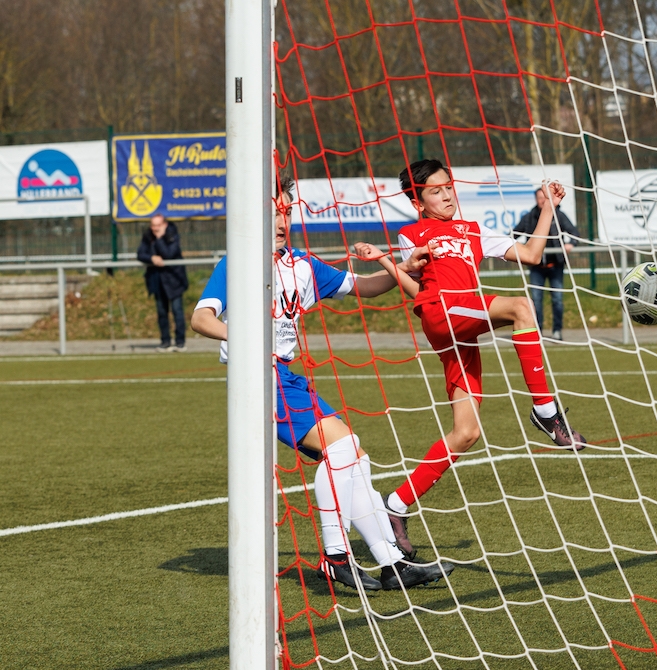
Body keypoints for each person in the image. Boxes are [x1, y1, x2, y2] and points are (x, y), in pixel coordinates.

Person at [190, 176, 453, 592]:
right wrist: (244, 338)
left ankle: (392, 563)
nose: (282, 221)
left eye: (286, 211)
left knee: (356, 458)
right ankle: (335, 557)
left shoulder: (302, 264)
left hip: (286, 377)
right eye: (273, 212)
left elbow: (364, 287)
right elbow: (201, 318)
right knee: (343, 448)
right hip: (257, 378)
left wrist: (400, 267)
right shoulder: (238, 263)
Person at [383, 159, 587, 559]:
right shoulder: (412, 233)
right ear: (418, 202)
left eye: (448, 187)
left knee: (466, 433)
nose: (447, 195)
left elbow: (531, 254)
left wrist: (548, 209)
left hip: (461, 325)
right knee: (521, 307)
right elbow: (416, 283)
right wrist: (394, 264)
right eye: (435, 191)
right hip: (441, 313)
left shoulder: (473, 230)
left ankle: (394, 505)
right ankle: (546, 412)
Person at [513, 187, 579, 341]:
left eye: (545, 197)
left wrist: (571, 243)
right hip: (536, 267)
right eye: (540, 198)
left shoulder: (559, 216)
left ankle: (557, 331)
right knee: (536, 301)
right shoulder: (529, 217)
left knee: (557, 299)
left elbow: (574, 232)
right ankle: (538, 331)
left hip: (555, 265)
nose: (542, 200)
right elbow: (514, 234)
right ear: (536, 200)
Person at [137, 214, 190, 351]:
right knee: (162, 313)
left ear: (164, 225)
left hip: (174, 280)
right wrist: (152, 258)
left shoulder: (172, 235)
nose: (155, 228)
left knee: (177, 311)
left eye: (158, 225)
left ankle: (180, 342)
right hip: (157, 280)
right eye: (153, 225)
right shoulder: (148, 236)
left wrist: (160, 239)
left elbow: (169, 254)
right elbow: (140, 254)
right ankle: (165, 342)